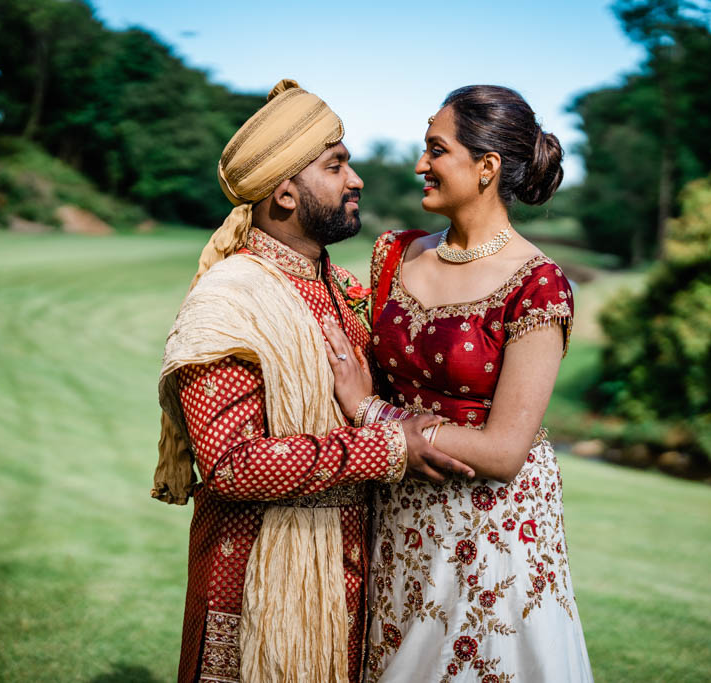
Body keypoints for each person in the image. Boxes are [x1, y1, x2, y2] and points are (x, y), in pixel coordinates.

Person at [152, 79, 472, 683]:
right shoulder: (229, 302)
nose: (355, 180)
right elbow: (231, 464)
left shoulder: (341, 287)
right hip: (255, 578)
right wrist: (390, 447)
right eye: (336, 165)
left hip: (358, 572)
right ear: (285, 193)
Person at [322, 85, 593, 681]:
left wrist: (369, 413)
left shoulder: (538, 285)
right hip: (400, 520)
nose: (420, 165)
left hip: (492, 528)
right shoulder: (396, 253)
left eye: (435, 150)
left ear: (487, 167)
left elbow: (503, 452)